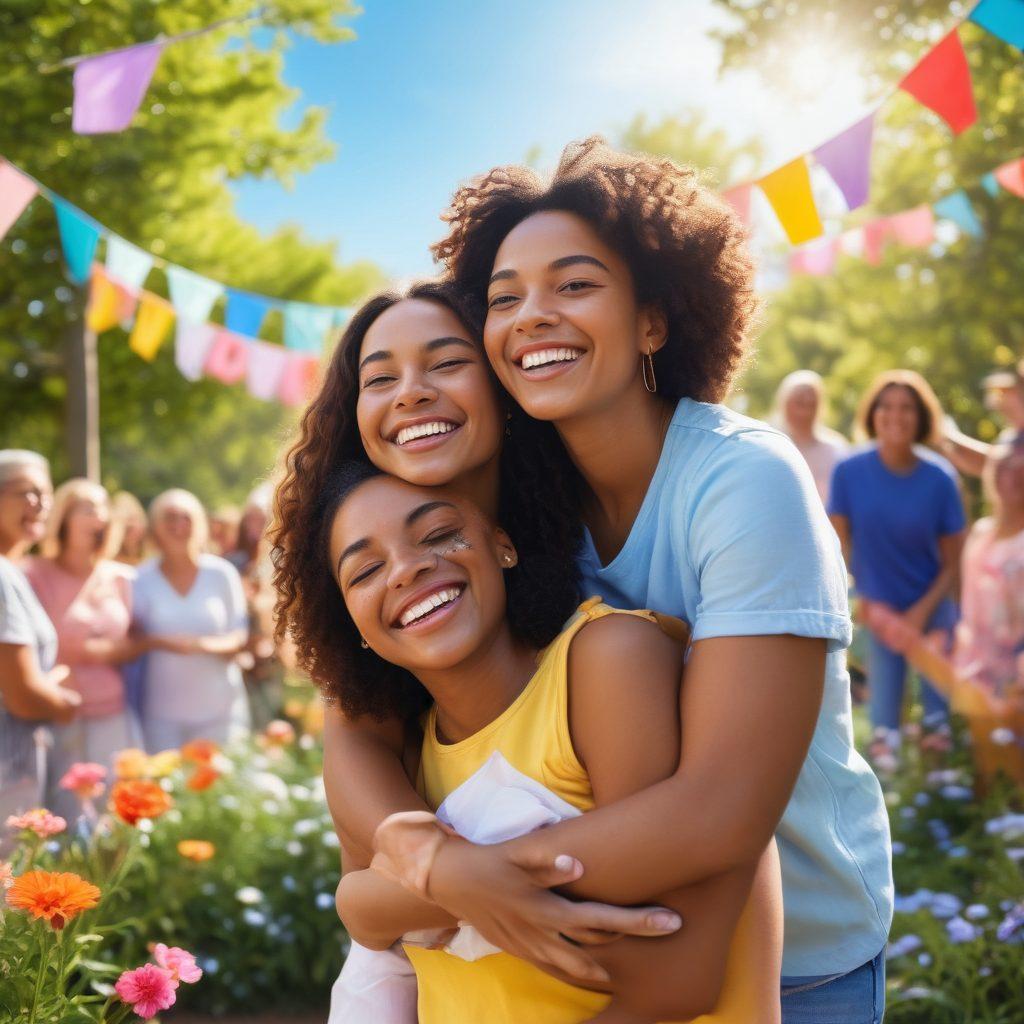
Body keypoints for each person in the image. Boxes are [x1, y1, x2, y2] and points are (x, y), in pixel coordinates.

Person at [278, 139, 891, 1023]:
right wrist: (439, 868)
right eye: (505, 300)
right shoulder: (509, 517)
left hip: (797, 969)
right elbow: (358, 726)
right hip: (586, 963)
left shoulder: (740, 480)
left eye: (573, 286)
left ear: (654, 319)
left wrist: (454, 882)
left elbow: (719, 813)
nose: (534, 317)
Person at [321, 466, 784, 1022]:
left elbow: (671, 973)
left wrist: (448, 880)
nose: (406, 569)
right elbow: (361, 918)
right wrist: (447, 884)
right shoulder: (402, 759)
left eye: (440, 534)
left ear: (504, 545)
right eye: (366, 570)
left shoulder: (606, 661)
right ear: (354, 627)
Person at [829, 370, 967, 756]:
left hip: (933, 613)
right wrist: (868, 603)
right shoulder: (848, 472)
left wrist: (921, 615)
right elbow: (841, 546)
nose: (896, 416)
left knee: (938, 727)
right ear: (872, 414)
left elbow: (953, 563)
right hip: (878, 613)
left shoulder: (940, 478)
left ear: (921, 417)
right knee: (883, 731)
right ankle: (893, 810)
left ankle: (942, 801)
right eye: (886, 407)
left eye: (907, 408)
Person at [25, 479, 135, 819]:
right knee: (63, 812)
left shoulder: (120, 577)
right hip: (59, 713)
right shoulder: (33, 574)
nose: (98, 516)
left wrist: (111, 651)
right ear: (63, 518)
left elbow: (132, 641)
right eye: (88, 508)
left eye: (103, 508)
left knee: (110, 810)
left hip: (111, 710)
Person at [133, 489, 249, 751]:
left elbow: (239, 636)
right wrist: (161, 642)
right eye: (170, 518)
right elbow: (133, 638)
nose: (178, 526)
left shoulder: (222, 573)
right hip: (161, 717)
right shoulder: (139, 579)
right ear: (155, 527)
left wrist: (197, 645)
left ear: (199, 524)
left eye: (186, 517)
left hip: (221, 712)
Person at [0, 450, 80, 826]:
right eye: (27, 493)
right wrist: (64, 704)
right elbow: (22, 696)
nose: (41, 504)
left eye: (46, 494)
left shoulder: (12, 570)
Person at [954, 444, 1024, 697]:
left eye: (1020, 472)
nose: (1012, 478)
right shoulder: (982, 534)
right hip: (979, 668)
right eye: (1003, 471)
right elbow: (968, 600)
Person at [770, 370, 848, 505]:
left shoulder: (836, 448)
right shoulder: (768, 443)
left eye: (812, 404)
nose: (805, 412)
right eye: (799, 403)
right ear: (783, 403)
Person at [940, 360, 1024, 477]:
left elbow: (997, 463)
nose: (999, 399)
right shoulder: (1009, 437)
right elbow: (988, 469)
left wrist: (949, 435)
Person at [110, 491, 148, 566]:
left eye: (134, 519)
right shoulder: (108, 563)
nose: (132, 525)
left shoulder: (152, 558)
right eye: (127, 529)